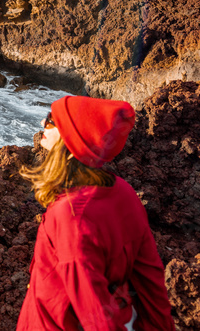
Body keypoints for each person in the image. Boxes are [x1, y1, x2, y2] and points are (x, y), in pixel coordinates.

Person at [16, 95, 176, 331]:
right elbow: (151, 279)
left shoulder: (70, 216)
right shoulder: (123, 192)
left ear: (71, 142)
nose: (43, 124)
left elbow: (95, 315)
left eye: (51, 120)